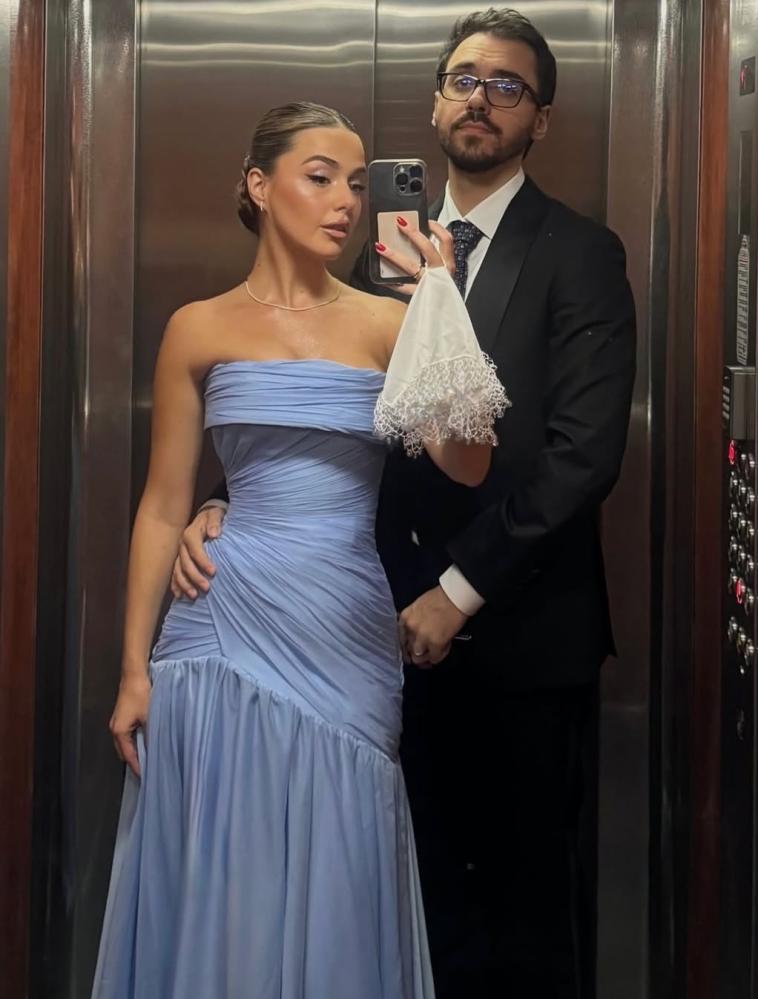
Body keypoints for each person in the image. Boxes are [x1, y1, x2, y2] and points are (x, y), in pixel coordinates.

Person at [177, 9, 637, 997]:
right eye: (463, 79)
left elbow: (582, 456)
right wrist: (225, 501)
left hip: (521, 638)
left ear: (539, 119)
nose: (480, 99)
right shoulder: (374, 252)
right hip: (366, 633)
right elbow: (320, 398)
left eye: (507, 86)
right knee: (396, 901)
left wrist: (458, 590)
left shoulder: (580, 253)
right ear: (435, 102)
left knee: (525, 921)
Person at [92, 101, 501, 999]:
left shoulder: (388, 323)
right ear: (258, 184)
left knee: (342, 861)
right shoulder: (196, 328)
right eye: (320, 178)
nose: (345, 201)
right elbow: (162, 506)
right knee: (224, 876)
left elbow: (469, 463)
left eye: (355, 183)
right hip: (216, 626)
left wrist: (442, 308)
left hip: (343, 626)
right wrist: (132, 669)